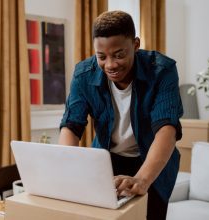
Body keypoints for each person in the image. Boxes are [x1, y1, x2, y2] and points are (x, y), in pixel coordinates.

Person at [59, 10, 183, 220]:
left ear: (135, 44)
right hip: (106, 160)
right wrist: (69, 169)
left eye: (119, 54)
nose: (110, 65)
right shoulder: (83, 74)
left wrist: (142, 180)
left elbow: (166, 129)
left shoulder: (162, 70)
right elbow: (71, 126)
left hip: (150, 161)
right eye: (102, 56)